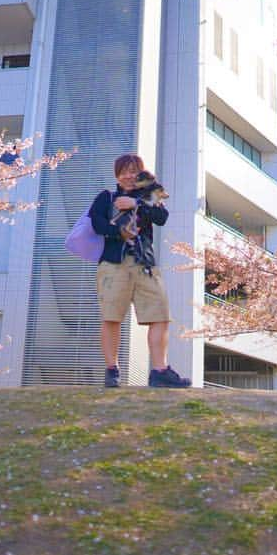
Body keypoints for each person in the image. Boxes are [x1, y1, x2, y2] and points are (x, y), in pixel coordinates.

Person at [89, 153, 191, 388]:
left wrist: (136, 203)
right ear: (116, 174)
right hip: (114, 264)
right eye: (123, 171)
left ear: (141, 174)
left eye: (133, 171)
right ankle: (111, 370)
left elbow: (161, 217)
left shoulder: (148, 197)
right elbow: (96, 224)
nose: (128, 176)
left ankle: (159, 370)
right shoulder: (107, 197)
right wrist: (119, 232)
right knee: (111, 317)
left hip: (145, 263)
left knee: (160, 315)